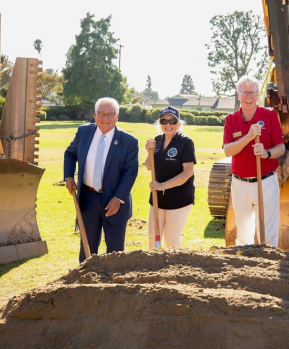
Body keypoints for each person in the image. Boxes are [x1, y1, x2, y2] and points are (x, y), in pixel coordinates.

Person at [64, 97, 139, 263]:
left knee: (115, 251)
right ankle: (86, 282)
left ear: (117, 116)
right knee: (87, 249)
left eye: (111, 114)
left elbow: (130, 173)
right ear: (95, 115)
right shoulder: (84, 132)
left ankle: (112, 285)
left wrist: (118, 199)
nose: (106, 118)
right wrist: (69, 176)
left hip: (115, 201)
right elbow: (70, 154)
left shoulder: (129, 142)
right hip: (88, 199)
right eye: (102, 114)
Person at [223, 75, 285, 247]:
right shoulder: (231, 119)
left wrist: (266, 153)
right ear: (238, 95)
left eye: (252, 92)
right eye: (244, 92)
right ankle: (247, 272)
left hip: (265, 182)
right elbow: (228, 150)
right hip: (240, 184)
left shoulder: (269, 115)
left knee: (268, 236)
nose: (248, 97)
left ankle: (268, 270)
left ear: (258, 95)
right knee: (243, 236)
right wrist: (249, 137)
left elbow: (281, 148)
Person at [145, 106, 196, 249]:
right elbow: (149, 166)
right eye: (164, 121)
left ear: (179, 124)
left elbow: (188, 172)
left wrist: (162, 186)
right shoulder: (157, 141)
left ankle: (174, 271)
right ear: (159, 123)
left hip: (179, 198)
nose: (168, 125)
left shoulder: (186, 142)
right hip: (158, 198)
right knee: (153, 240)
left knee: (171, 240)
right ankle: (154, 269)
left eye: (172, 121)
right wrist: (149, 152)